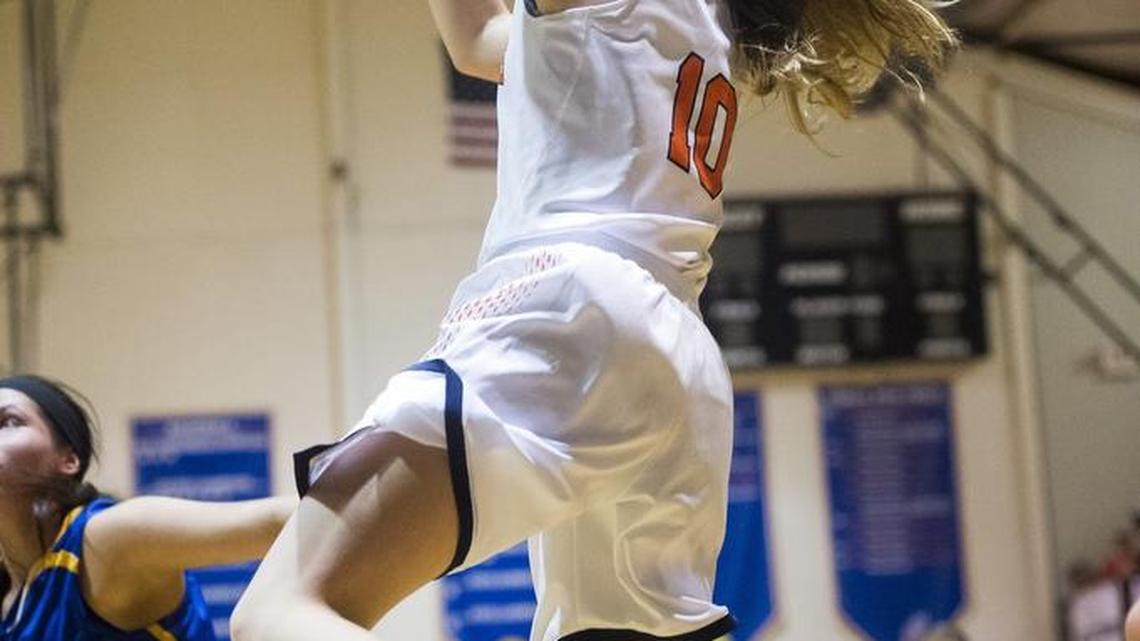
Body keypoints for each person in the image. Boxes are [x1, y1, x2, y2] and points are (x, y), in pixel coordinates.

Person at [231, 1, 956, 640]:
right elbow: (480, 37)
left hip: (569, 306)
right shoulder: (711, 21)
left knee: (282, 606)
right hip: (678, 360)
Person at [0, 374, 293, 641]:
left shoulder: (107, 540)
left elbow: (288, 518)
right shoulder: (11, 597)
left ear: (68, 460)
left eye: (9, 421)